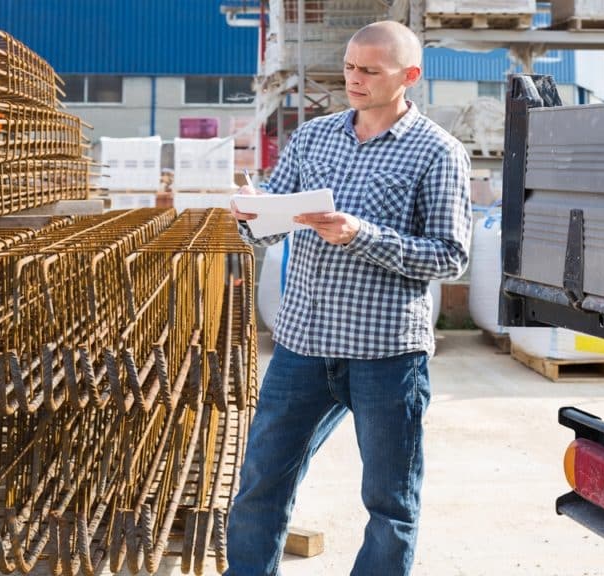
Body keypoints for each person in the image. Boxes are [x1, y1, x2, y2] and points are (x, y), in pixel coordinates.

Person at [225, 20, 472, 576]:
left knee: (390, 504)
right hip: (303, 346)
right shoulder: (313, 137)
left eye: (370, 70)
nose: (354, 79)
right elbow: (269, 230)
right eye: (349, 67)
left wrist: (361, 235)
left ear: (409, 76)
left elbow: (450, 256)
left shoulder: (437, 152)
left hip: (386, 354)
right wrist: (253, 213)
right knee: (262, 483)